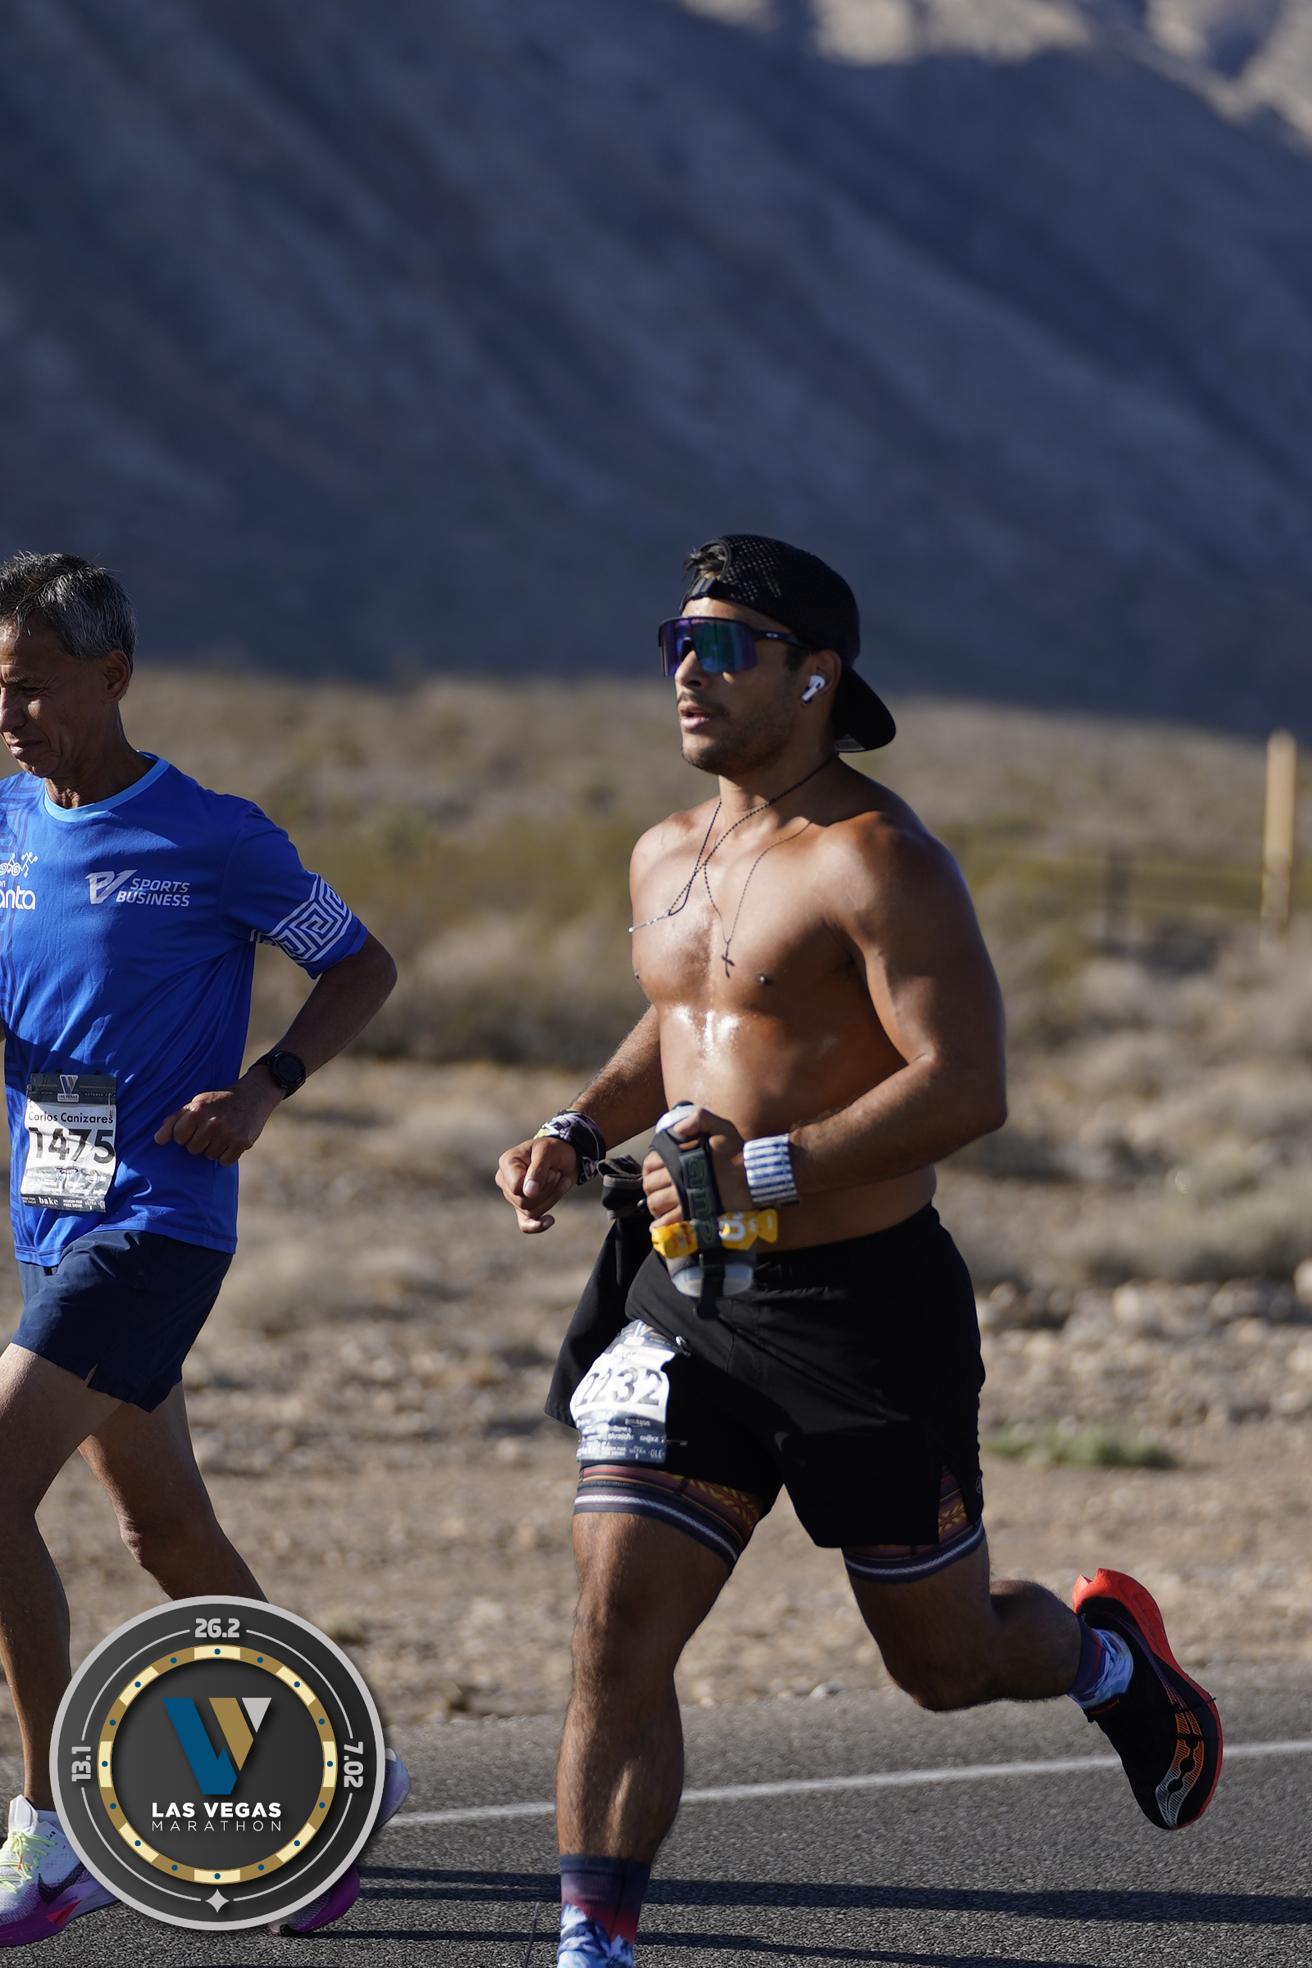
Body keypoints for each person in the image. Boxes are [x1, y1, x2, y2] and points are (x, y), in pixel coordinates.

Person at [496, 535, 1223, 1968]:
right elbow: (688, 1017)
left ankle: (1108, 1659)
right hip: (683, 1302)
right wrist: (578, 1129)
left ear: (816, 674)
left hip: (861, 1314)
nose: (688, 672)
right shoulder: (666, 848)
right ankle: (593, 1941)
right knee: (616, 1626)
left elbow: (968, 1085)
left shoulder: (879, 858)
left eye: (725, 647)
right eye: (676, 643)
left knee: (944, 1665)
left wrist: (761, 1169)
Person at [0, 553, 408, 1946]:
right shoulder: (5, 823)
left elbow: (360, 963)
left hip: (156, 1224)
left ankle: (57, 1826)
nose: (9, 716)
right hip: (51, 1221)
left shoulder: (213, 837)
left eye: (32, 687)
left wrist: (265, 1086)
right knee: (163, 1531)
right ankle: (340, 1775)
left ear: (112, 677)